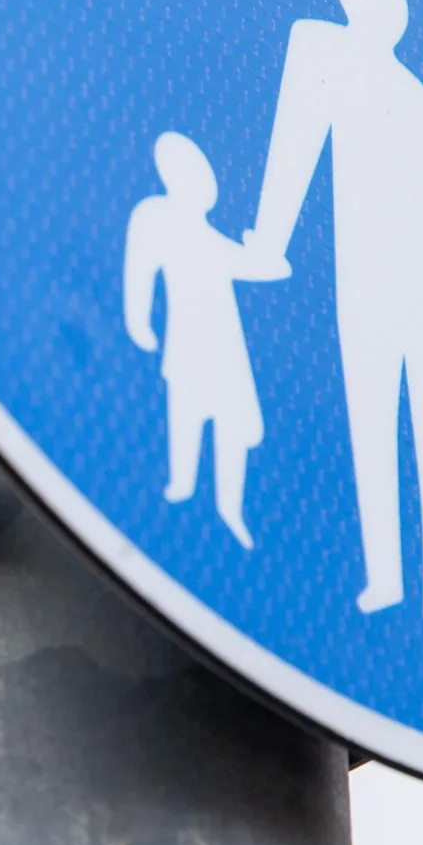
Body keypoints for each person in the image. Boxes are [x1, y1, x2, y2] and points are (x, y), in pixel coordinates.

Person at [246, 0, 423, 661]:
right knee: (372, 431)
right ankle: (386, 582)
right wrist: (269, 241)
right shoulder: (318, 48)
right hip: (362, 289)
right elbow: (292, 148)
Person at [124, 131, 288, 548]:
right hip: (187, 340)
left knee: (232, 423)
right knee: (187, 409)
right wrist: (138, 321)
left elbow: (251, 265)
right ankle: (181, 486)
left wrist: (269, 257)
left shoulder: (209, 238)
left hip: (226, 345)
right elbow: (139, 269)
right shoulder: (155, 217)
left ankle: (230, 508)